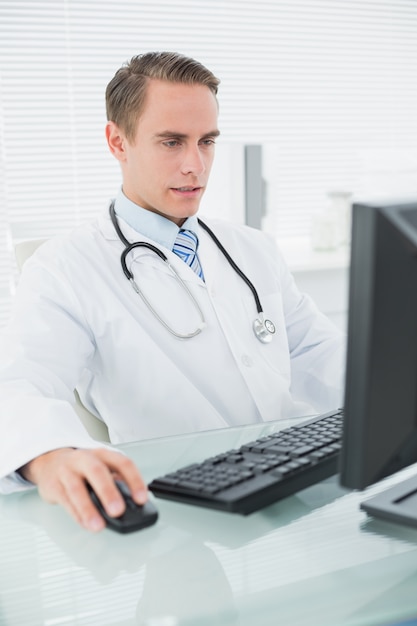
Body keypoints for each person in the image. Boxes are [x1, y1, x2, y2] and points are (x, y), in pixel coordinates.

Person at [0, 51, 345, 532]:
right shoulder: (65, 266)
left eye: (207, 141)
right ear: (117, 142)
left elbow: (318, 351)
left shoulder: (251, 249)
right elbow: (19, 384)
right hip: (176, 512)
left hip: (290, 487)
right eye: (171, 142)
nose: (195, 165)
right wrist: (51, 456)